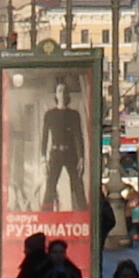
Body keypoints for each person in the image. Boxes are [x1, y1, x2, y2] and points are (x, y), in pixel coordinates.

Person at [40, 80, 89, 211]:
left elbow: (78, 137)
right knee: (50, 185)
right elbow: (44, 137)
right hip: (55, 152)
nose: (62, 94)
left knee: (77, 185)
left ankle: (83, 212)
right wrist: (43, 158)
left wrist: (81, 158)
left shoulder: (73, 115)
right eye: (59, 91)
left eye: (64, 91)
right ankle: (45, 215)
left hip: (70, 153)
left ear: (68, 95)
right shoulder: (50, 115)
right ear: (56, 94)